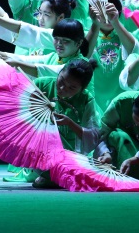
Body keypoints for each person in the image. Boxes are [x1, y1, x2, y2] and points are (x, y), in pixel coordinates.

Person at [30, 58, 101, 188]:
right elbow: (18, 117)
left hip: (68, 154)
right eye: (61, 81)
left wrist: (70, 123)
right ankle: (49, 174)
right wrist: (32, 107)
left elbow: (93, 136)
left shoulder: (86, 99)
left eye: (72, 87)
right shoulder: (40, 85)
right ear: (59, 72)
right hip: (38, 150)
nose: (62, 88)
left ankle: (54, 175)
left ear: (82, 88)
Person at [84, 0, 139, 112]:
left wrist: (115, 22)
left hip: (119, 95)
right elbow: (84, 56)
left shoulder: (123, 34)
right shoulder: (88, 34)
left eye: (110, 14)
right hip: (94, 95)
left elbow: (135, 51)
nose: (107, 18)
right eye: (103, 14)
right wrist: (96, 23)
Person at [0, 0, 76, 56]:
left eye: (46, 14)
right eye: (40, 13)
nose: (41, 18)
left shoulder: (56, 38)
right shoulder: (36, 35)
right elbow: (8, 25)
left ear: (61, 17)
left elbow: (24, 29)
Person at [0, 18, 89, 81]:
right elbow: (25, 60)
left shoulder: (81, 63)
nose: (59, 43)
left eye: (65, 41)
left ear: (79, 43)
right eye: (56, 39)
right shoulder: (53, 57)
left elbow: (49, 71)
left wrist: (16, 64)